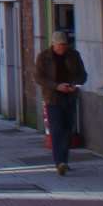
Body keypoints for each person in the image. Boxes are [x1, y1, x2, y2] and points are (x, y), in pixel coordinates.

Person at [33, 29, 86, 175]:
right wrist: (56, 86)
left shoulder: (73, 55)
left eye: (64, 45)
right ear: (53, 44)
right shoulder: (44, 57)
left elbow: (82, 74)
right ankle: (59, 162)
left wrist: (74, 84)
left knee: (67, 129)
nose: (62, 48)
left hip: (69, 96)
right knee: (56, 129)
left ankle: (64, 160)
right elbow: (39, 77)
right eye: (59, 45)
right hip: (53, 97)